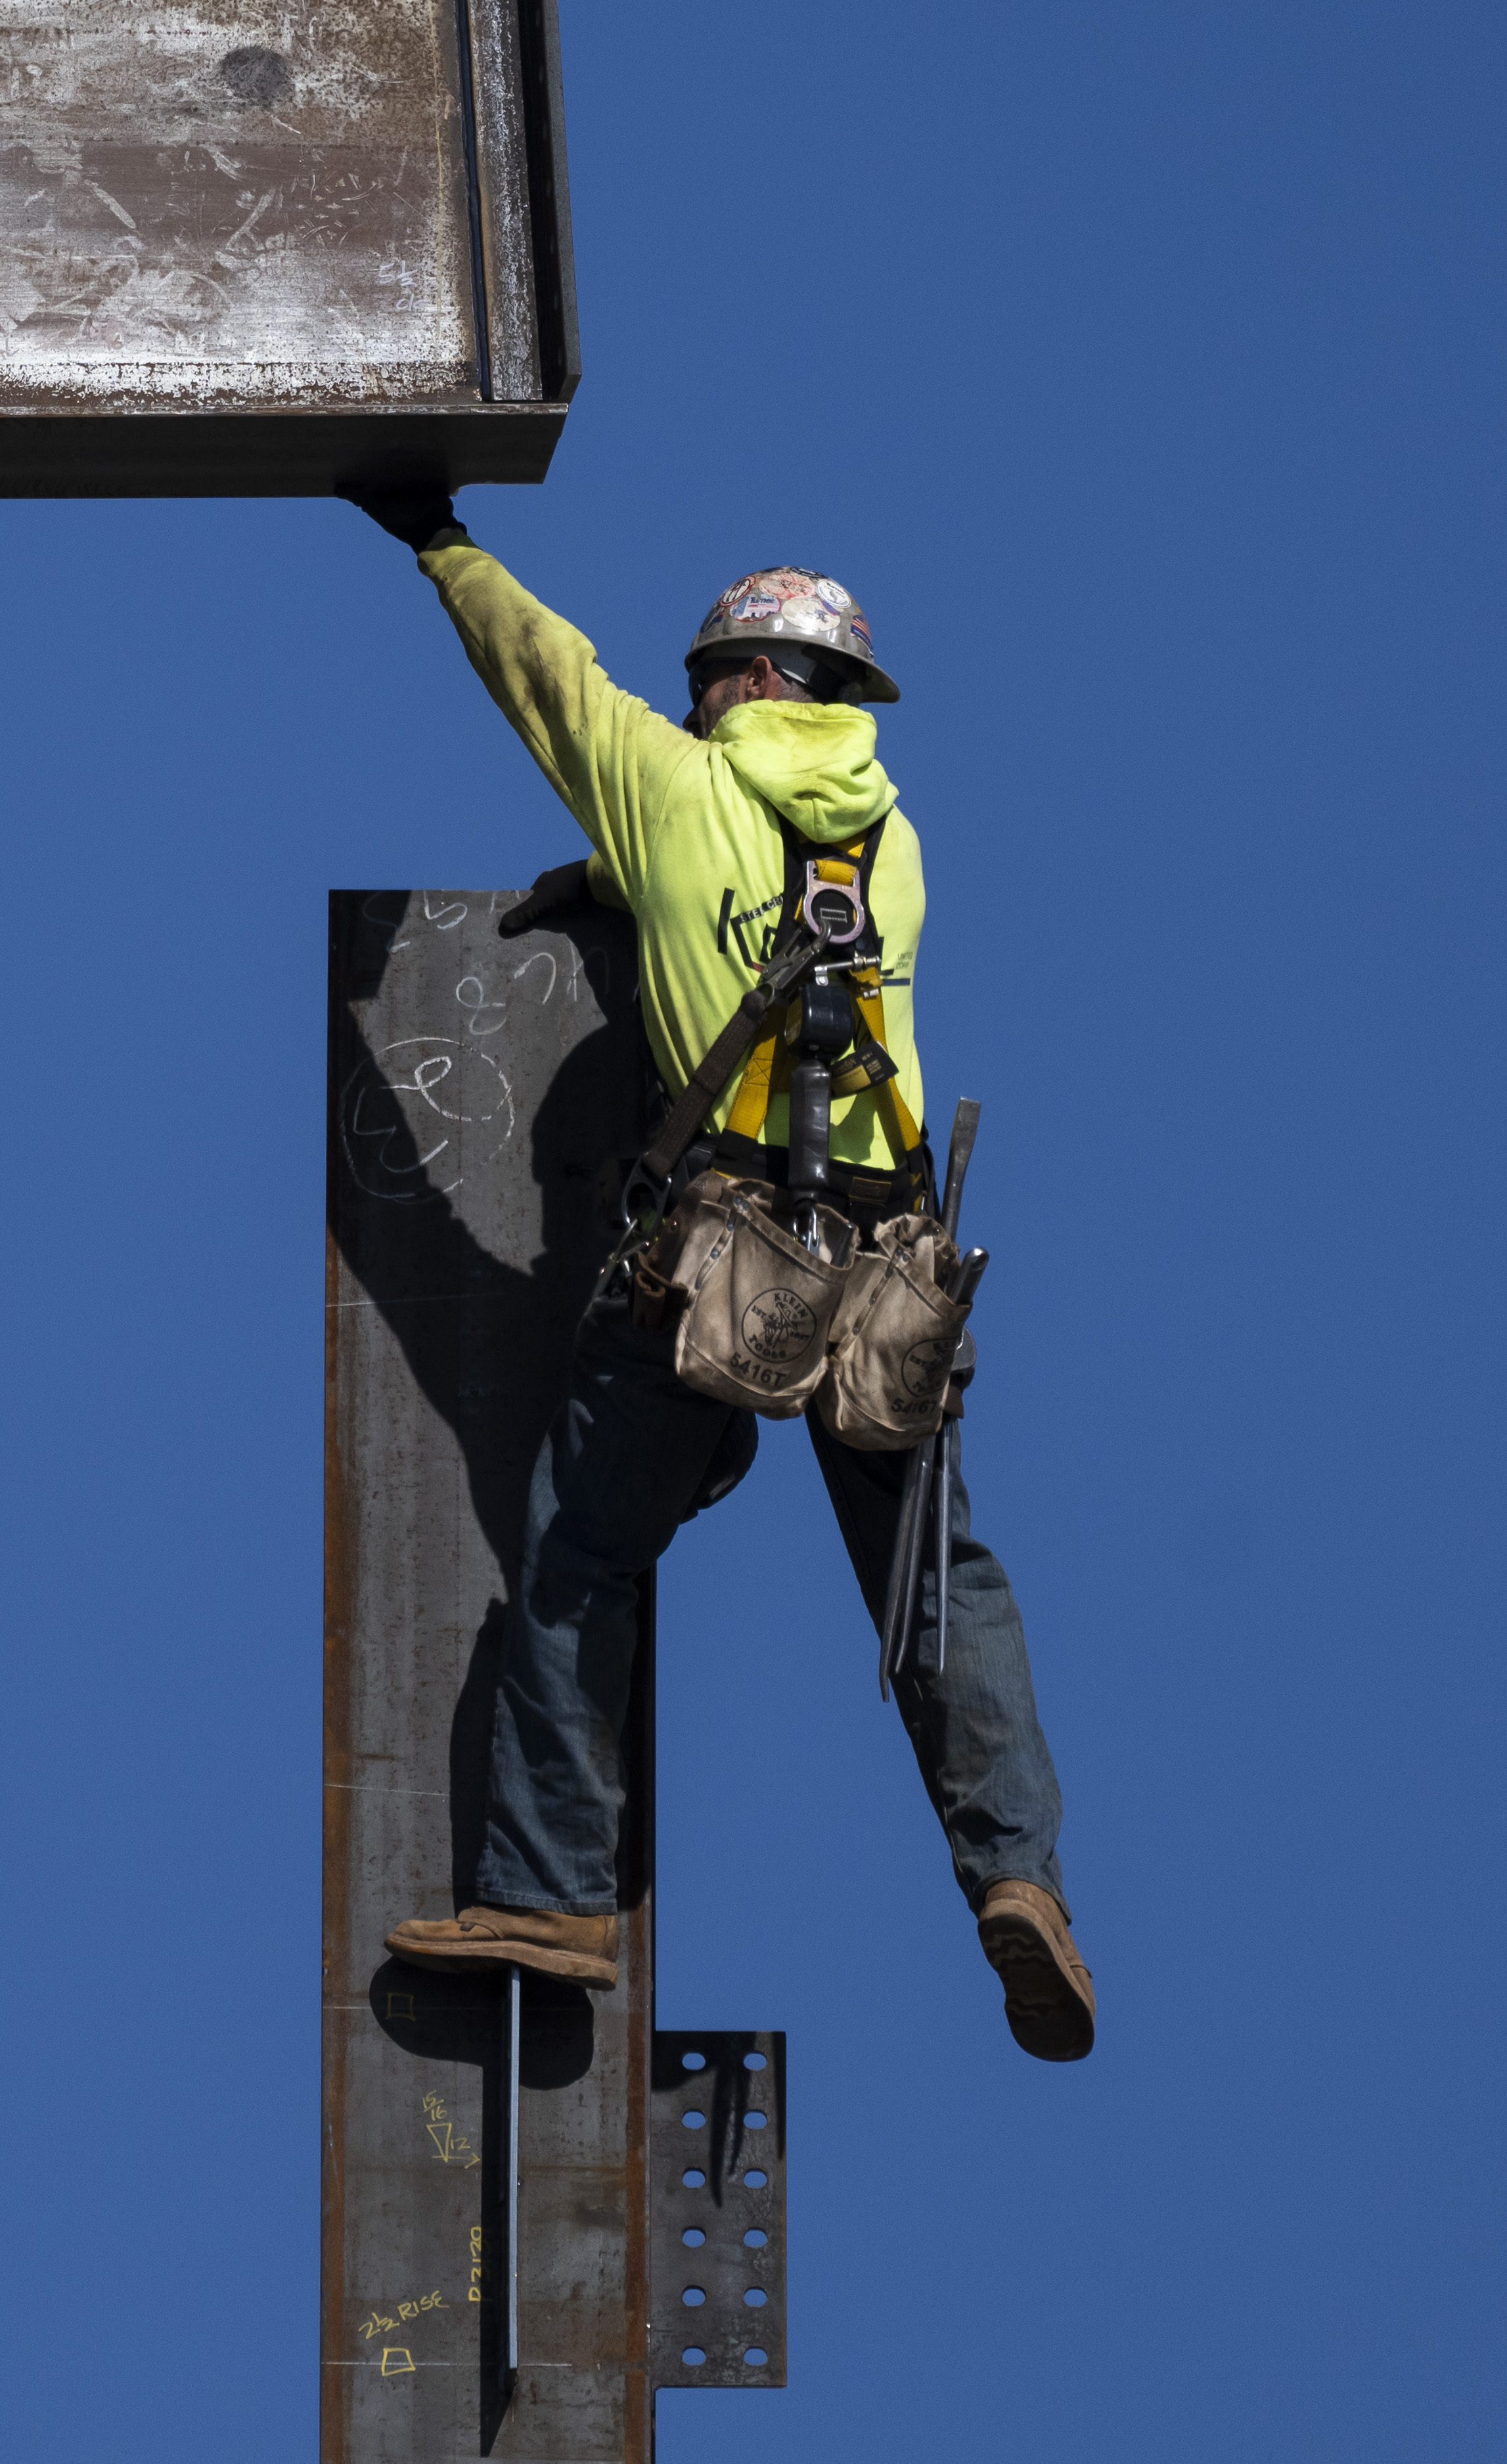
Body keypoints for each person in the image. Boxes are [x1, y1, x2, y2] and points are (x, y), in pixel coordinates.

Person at [342, 483, 1097, 2063]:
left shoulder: (671, 792)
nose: (689, 700)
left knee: (577, 1551)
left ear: (749, 681)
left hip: (725, 1263)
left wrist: (434, 536)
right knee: (935, 1588)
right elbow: (765, 905)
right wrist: (615, 881)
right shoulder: (892, 847)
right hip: (891, 1267)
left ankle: (550, 1898)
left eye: (708, 678)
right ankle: (1018, 1884)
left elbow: (541, 670)